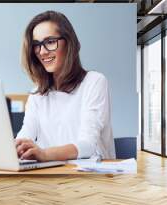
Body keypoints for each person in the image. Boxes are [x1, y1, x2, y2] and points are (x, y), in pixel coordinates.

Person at [15, 10, 116, 162]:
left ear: (69, 43)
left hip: (93, 178)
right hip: (52, 177)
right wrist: (15, 147)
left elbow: (88, 145)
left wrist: (45, 154)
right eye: (36, 45)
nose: (42, 52)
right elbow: (26, 133)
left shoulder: (94, 82)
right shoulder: (37, 92)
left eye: (50, 42)